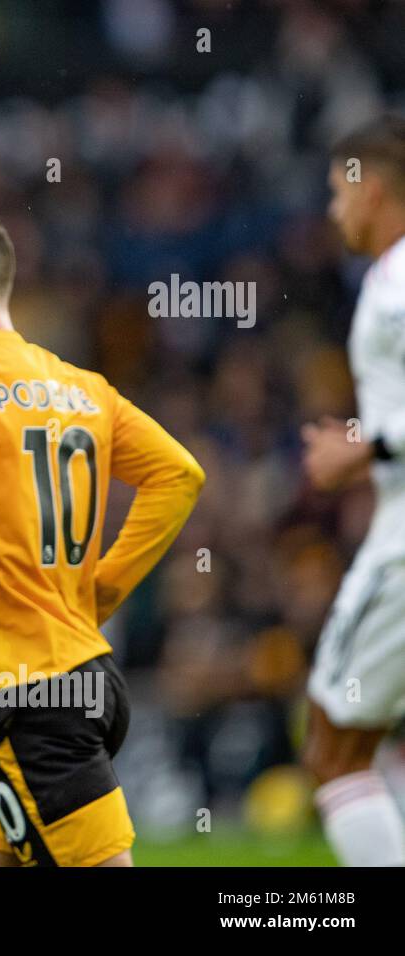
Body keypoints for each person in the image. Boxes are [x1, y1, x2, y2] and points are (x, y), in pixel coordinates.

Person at [0, 210, 204, 866]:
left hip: (28, 693)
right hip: (78, 669)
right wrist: (104, 588)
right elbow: (178, 474)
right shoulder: (81, 387)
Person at [301, 115, 405, 866]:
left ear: (373, 188)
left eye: (340, 191)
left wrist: (360, 449)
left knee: (334, 748)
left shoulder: (399, 279)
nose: (334, 210)